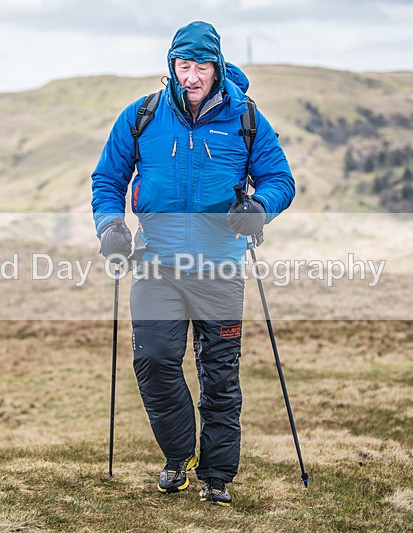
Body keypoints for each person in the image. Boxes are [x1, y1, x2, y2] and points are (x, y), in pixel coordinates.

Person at [91, 21, 295, 506]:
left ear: (217, 67)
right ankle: (178, 456)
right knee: (154, 360)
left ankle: (217, 476)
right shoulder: (141, 116)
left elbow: (279, 179)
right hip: (156, 263)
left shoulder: (246, 117)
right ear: (172, 66)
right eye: (184, 65)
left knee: (219, 375)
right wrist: (110, 227)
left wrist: (258, 206)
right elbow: (107, 179)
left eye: (202, 65)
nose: (192, 75)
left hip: (220, 268)